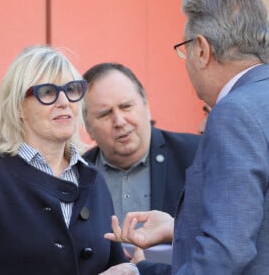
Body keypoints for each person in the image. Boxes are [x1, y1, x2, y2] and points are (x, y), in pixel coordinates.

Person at [104, 0, 269, 275]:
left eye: (186, 48)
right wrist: (177, 229)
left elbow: (226, 253)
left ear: (203, 50)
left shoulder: (233, 112)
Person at [0, 45, 138, 275]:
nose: (64, 101)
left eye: (72, 89)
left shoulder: (93, 178)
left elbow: (113, 264)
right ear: (19, 107)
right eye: (48, 92)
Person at [82, 62, 200, 226]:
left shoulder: (196, 156)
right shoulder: (76, 175)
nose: (119, 121)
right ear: (88, 128)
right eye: (104, 114)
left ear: (147, 106)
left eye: (126, 106)